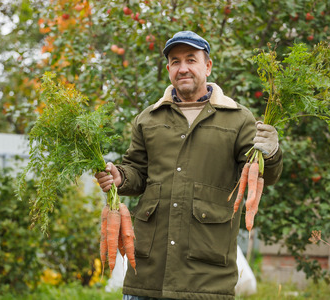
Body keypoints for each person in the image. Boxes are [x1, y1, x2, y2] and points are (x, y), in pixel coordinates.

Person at [95, 31, 283, 300]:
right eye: (175, 61)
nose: (182, 68)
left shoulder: (238, 119)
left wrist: (272, 151)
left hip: (206, 279)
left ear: (207, 66)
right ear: (169, 69)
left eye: (191, 60)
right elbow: (137, 172)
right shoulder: (148, 119)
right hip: (148, 275)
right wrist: (119, 177)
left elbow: (264, 175)